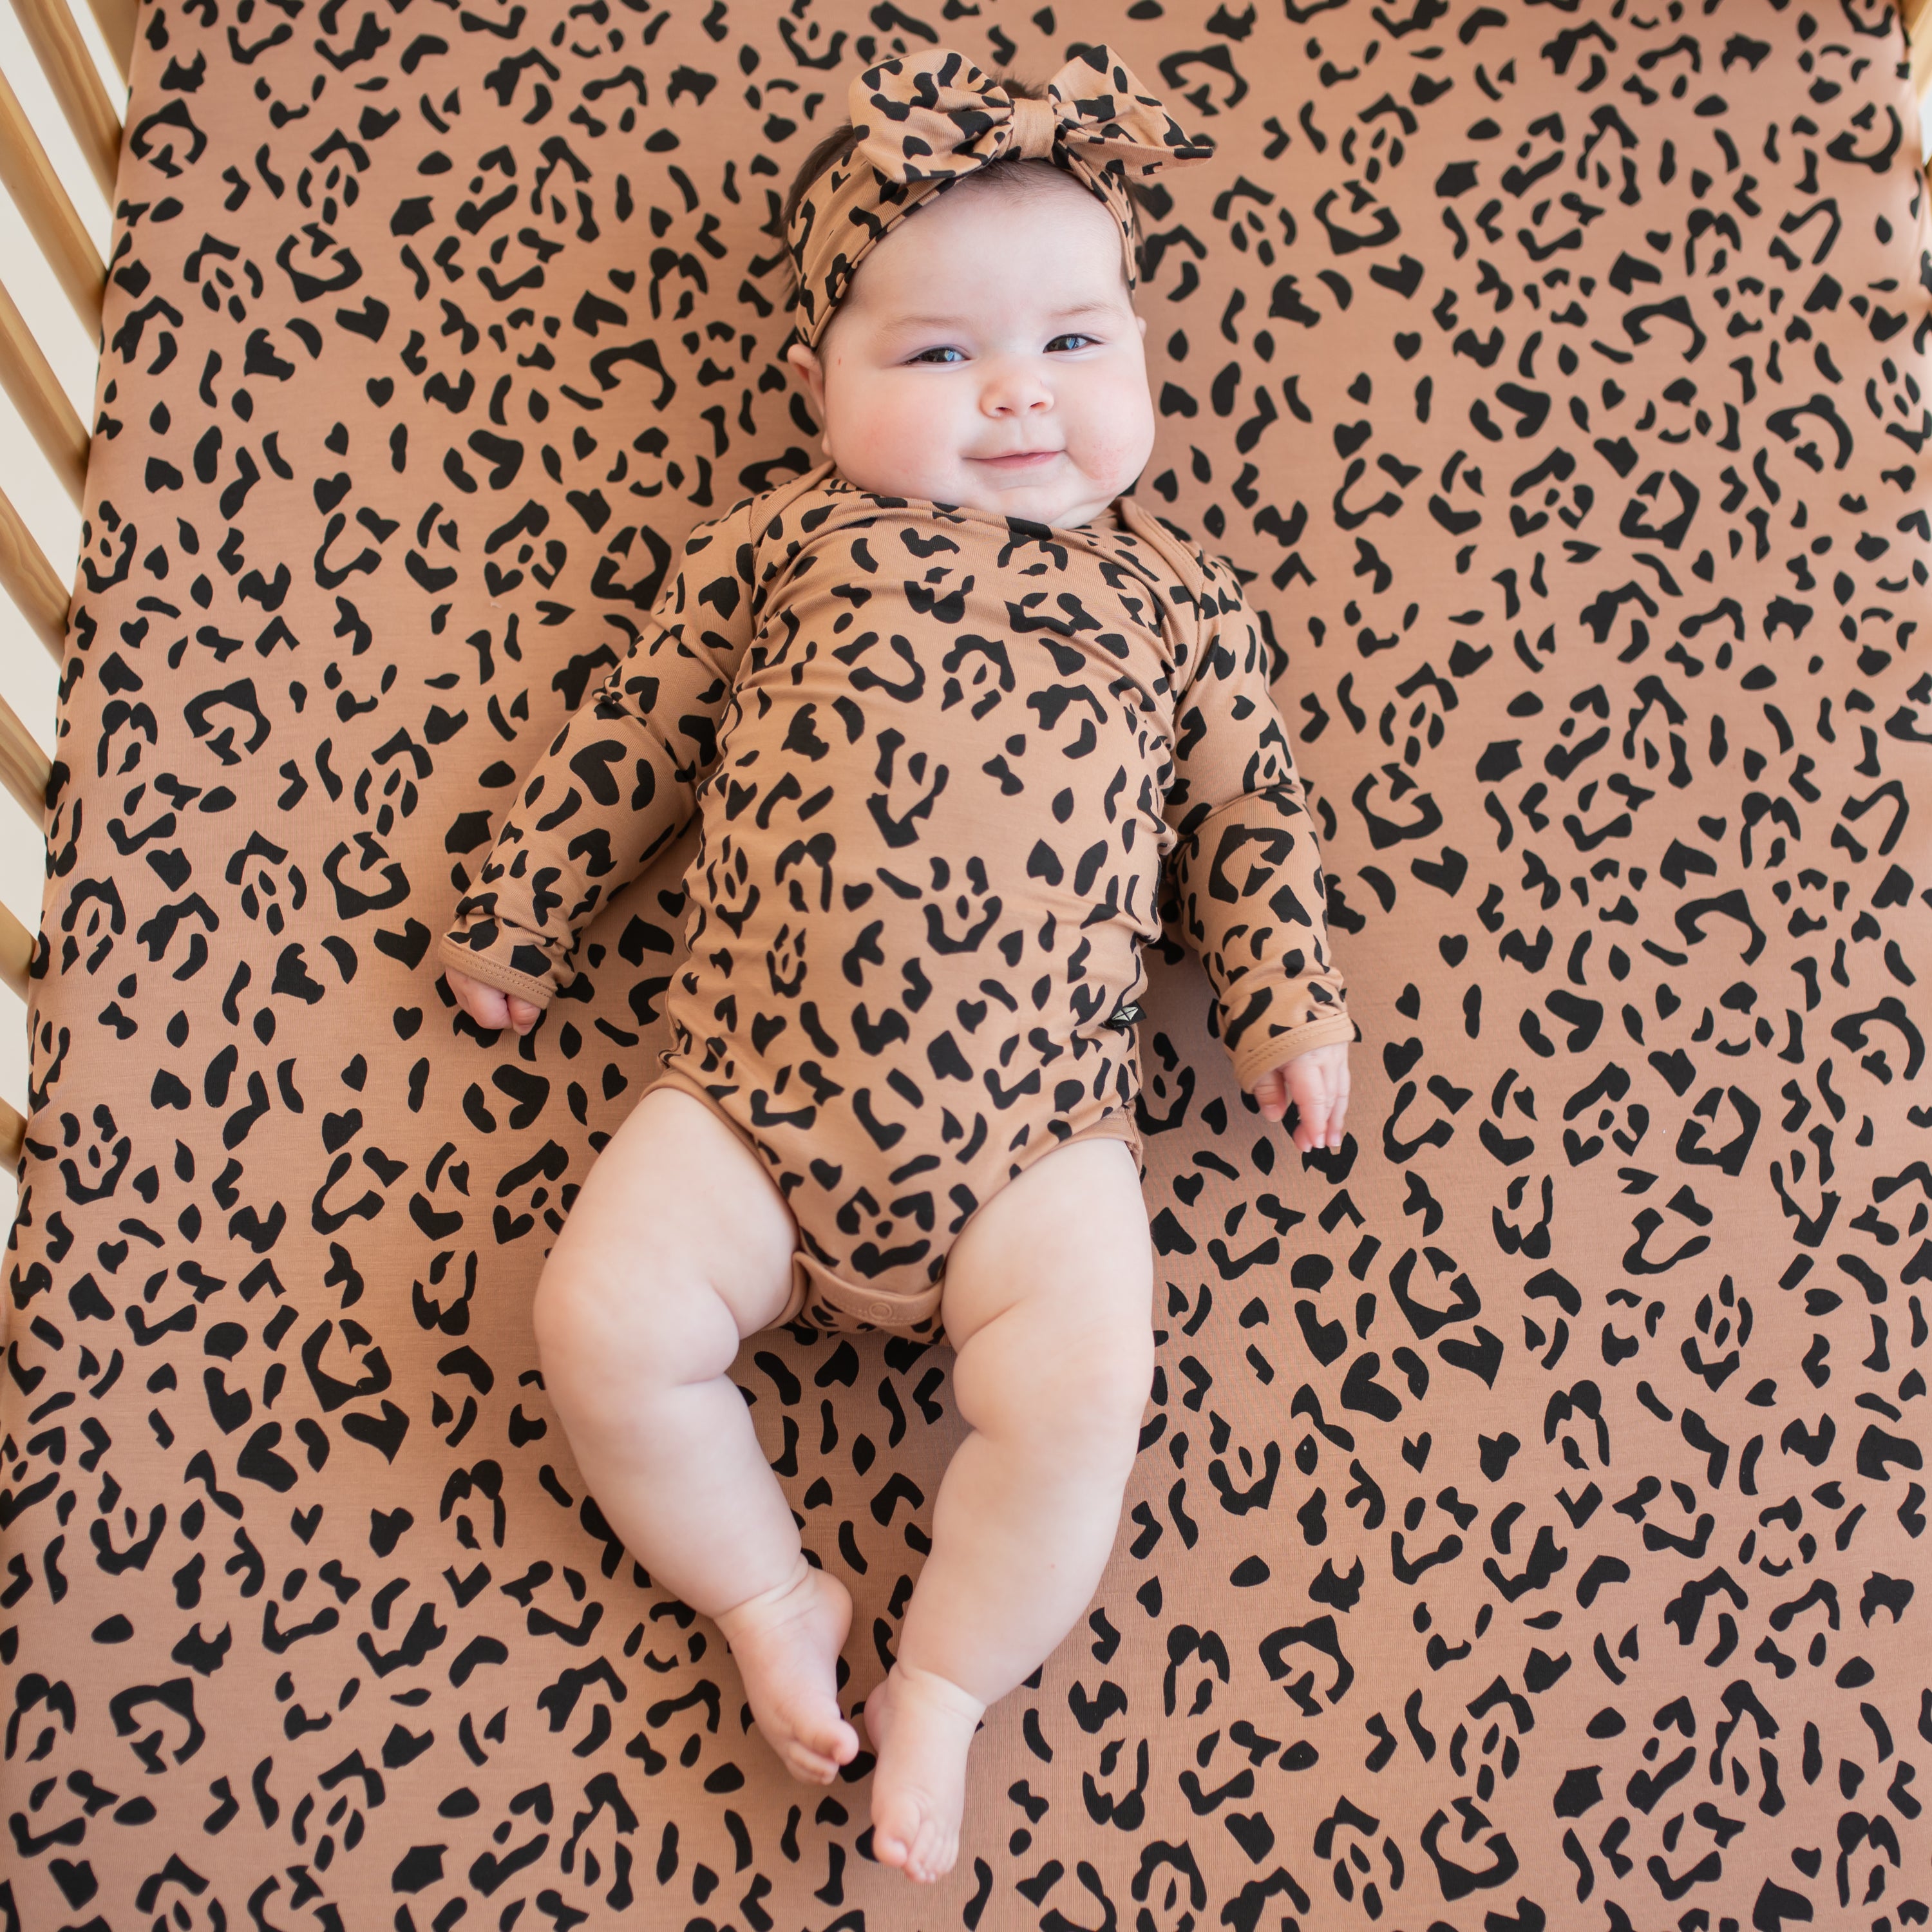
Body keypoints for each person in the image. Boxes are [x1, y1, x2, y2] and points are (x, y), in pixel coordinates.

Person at [437, 44, 1354, 1885]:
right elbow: (641, 733)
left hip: (1042, 1138)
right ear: (816, 389)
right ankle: (768, 1592)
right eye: (938, 355)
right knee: (598, 1328)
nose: (1016, 393)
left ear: (1142, 356)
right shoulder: (783, 547)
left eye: (1077, 345)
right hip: (745, 1102)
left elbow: (1249, 820)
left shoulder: (1178, 602)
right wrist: (528, 905)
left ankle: (941, 1678)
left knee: (1089, 1387)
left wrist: (1286, 998)